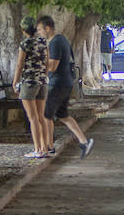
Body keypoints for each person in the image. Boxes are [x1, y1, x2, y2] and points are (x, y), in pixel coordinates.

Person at [38, 16, 94, 158]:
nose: (39, 33)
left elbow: (53, 66)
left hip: (58, 83)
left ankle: (48, 147)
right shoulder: (63, 39)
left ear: (47, 28)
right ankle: (84, 141)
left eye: (40, 29)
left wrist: (39, 63)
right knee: (63, 116)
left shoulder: (55, 43)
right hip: (67, 82)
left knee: (46, 115)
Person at [14, 16, 54, 158]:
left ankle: (37, 149)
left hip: (29, 83)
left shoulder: (25, 44)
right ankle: (45, 147)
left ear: (23, 29)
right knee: (41, 117)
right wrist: (43, 76)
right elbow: (47, 62)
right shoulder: (43, 42)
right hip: (42, 82)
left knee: (33, 118)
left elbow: (20, 65)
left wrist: (15, 82)